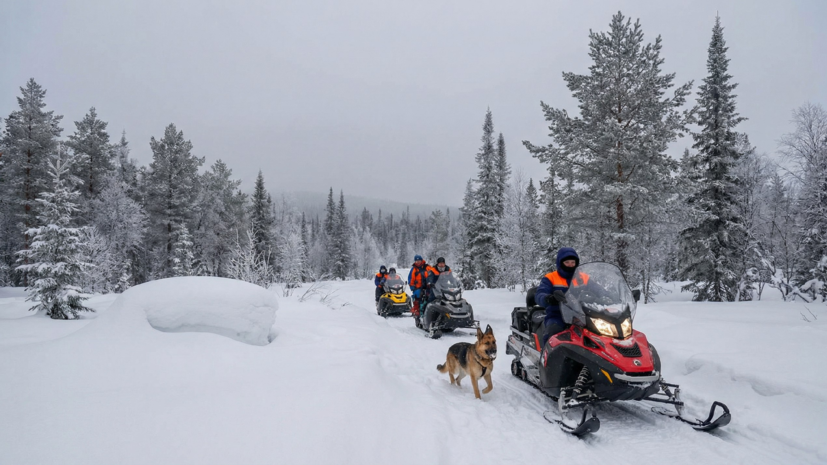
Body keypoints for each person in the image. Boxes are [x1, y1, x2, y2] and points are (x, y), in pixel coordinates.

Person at [534, 247, 589, 347]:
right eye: (567, 262)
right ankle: (547, 358)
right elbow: (540, 294)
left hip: (582, 315)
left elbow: (598, 289)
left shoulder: (584, 278)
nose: (570, 265)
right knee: (553, 334)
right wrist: (549, 298)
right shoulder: (550, 278)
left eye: (573, 262)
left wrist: (608, 296)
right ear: (560, 262)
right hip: (558, 315)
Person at [422, 257, 451, 328]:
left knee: (451, 301)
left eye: (443, 263)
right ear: (437, 264)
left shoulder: (448, 269)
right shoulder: (433, 270)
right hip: (435, 289)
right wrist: (430, 282)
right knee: (431, 300)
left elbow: (452, 278)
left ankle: (450, 317)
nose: (441, 265)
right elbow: (430, 278)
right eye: (440, 263)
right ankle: (426, 317)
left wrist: (455, 283)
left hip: (445, 288)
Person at [408, 255, 436, 327]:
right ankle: (418, 315)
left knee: (434, 297)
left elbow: (434, 273)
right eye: (416, 261)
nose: (418, 262)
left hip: (428, 286)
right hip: (418, 288)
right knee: (418, 298)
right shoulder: (414, 269)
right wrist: (412, 287)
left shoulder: (428, 267)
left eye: (419, 260)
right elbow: (411, 279)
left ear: (421, 260)